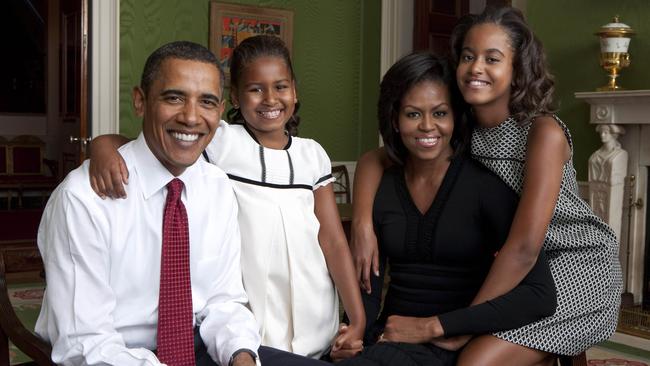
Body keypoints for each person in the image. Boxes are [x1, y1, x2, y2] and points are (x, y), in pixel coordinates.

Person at [351, 6, 622, 366]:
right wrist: (363, 224)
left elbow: (525, 247)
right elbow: (375, 159)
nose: (476, 67)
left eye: (492, 58)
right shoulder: (462, 128)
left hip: (574, 265)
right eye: (467, 56)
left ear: (517, 68)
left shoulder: (543, 133)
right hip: (518, 265)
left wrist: (459, 324)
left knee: (473, 360)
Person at [35, 41, 326, 366]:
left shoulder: (216, 187)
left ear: (219, 111)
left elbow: (224, 302)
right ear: (140, 101)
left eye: (207, 102)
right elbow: (84, 344)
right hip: (114, 356)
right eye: (174, 98)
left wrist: (241, 356)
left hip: (198, 347)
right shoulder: (83, 198)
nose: (191, 117)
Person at [336, 51, 556, 366]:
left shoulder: (485, 187)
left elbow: (539, 295)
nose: (428, 127)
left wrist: (447, 326)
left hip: (449, 347)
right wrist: (353, 334)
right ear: (394, 120)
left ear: (455, 116)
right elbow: (367, 287)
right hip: (390, 337)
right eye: (413, 114)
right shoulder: (381, 186)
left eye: (440, 113)